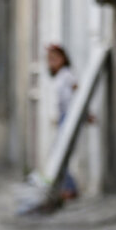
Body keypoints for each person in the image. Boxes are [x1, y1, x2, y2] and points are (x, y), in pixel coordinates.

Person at [48, 43, 79, 199]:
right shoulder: (59, 76)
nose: (52, 62)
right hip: (62, 116)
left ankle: (70, 188)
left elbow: (77, 93)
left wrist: (85, 113)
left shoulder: (67, 74)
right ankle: (67, 187)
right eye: (50, 59)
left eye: (55, 58)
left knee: (60, 152)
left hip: (69, 116)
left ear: (63, 58)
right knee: (58, 152)